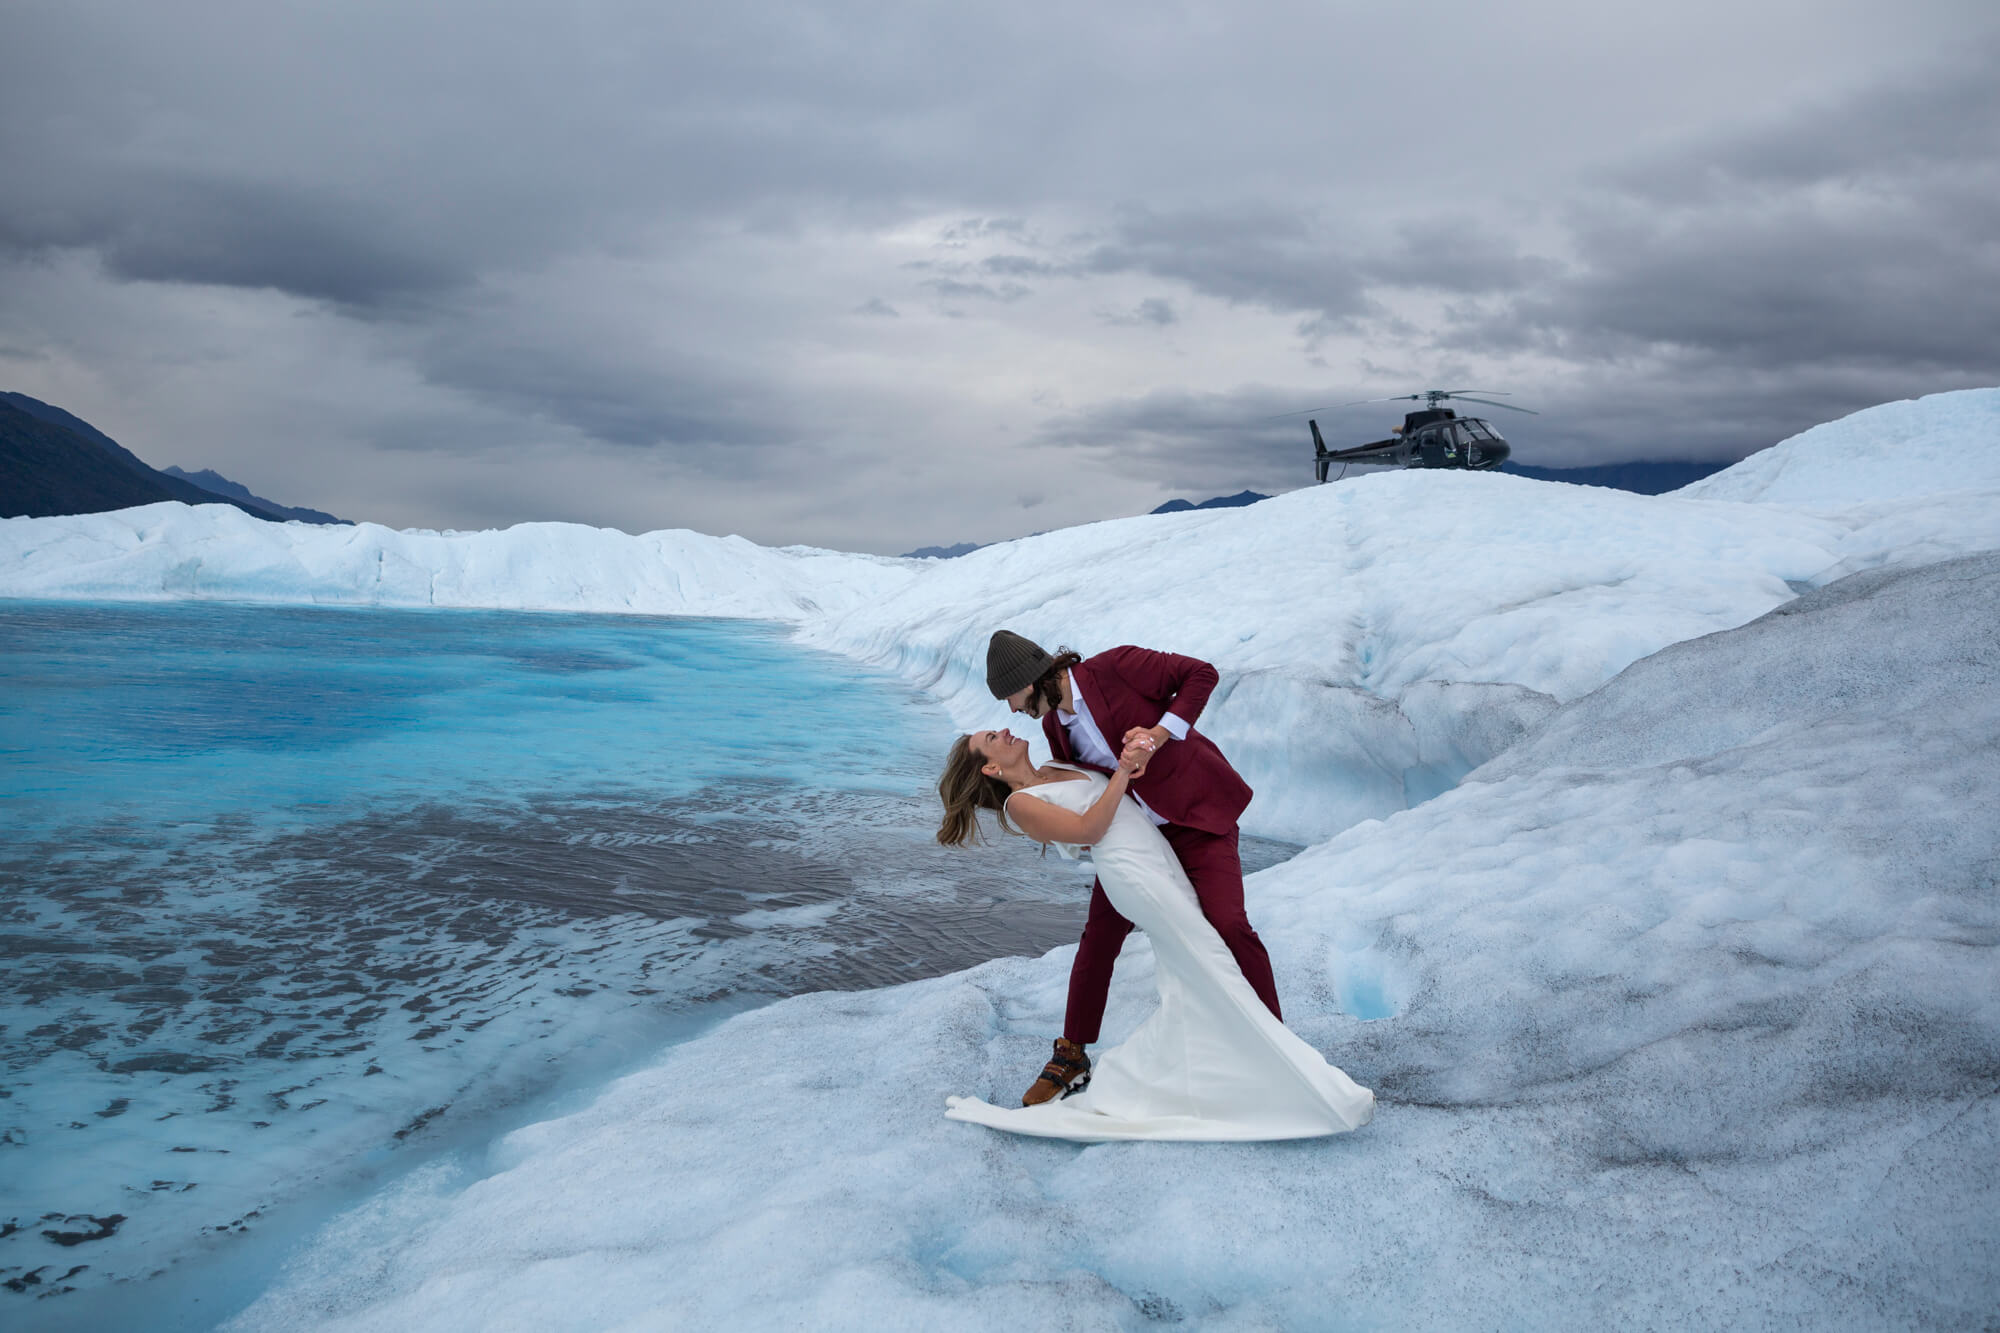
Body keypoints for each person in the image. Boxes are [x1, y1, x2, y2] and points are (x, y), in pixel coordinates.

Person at [933, 725, 1373, 1141]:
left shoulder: (1054, 765)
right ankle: (1273, 1070)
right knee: (1207, 962)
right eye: (993, 738)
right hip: (1134, 873)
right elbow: (1090, 830)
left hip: (1156, 856)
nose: (1005, 731)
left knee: (1198, 968)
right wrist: (1123, 772)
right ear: (991, 769)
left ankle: (1219, 1067)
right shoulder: (1021, 803)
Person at [981, 631, 1282, 1107]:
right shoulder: (1053, 729)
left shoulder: (1115, 667)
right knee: (1099, 936)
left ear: (1030, 680)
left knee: (1227, 923)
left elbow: (1200, 674)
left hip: (1198, 819)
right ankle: (1072, 1056)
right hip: (1139, 839)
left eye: (1012, 696)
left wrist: (1158, 734)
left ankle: (1276, 1045)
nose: (1014, 710)